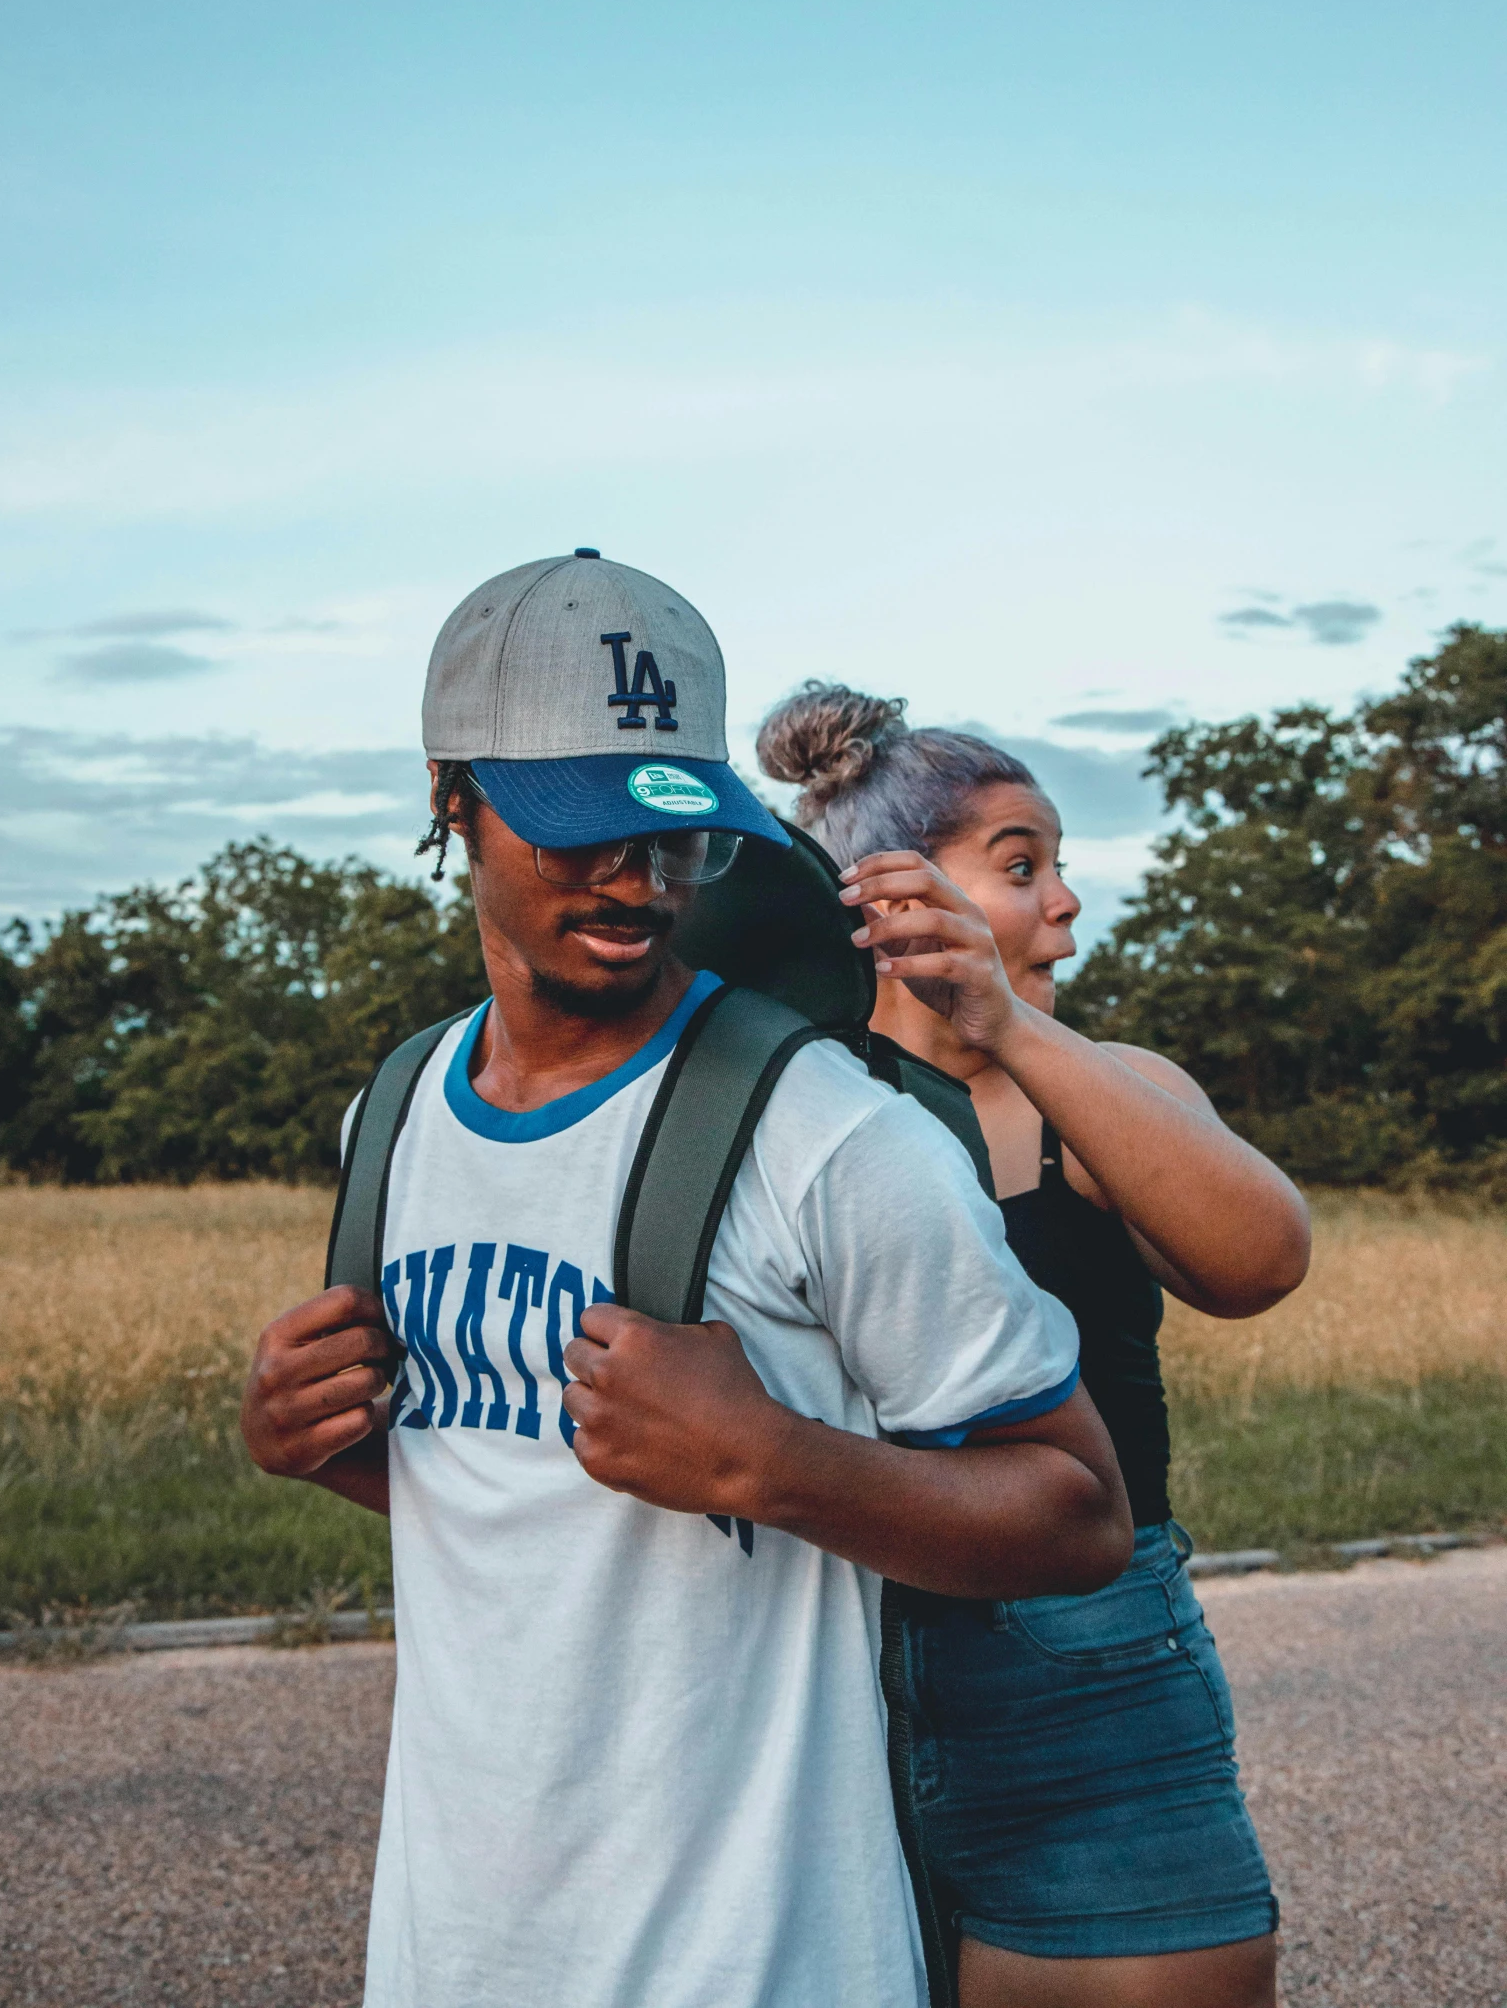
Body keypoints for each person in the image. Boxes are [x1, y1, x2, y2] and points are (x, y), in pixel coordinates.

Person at [241, 553, 1133, 2008]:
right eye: (578, 828)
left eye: (670, 833)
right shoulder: (390, 1117)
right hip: (452, 1945)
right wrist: (312, 1442)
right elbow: (519, 1507)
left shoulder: (829, 1133)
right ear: (450, 794)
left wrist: (774, 1461)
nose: (636, 879)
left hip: (758, 1955)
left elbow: (1081, 1513)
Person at [757, 683, 1312, 2008]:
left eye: (1055, 864)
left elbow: (1261, 1259)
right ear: (883, 895)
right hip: (826, 1661)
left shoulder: (1110, 1084)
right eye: (1021, 865)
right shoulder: (800, 1106)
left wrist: (1006, 1022)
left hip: (1089, 1661)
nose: (1065, 899)